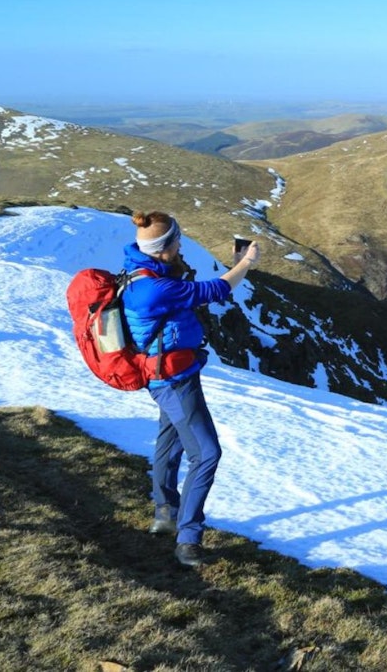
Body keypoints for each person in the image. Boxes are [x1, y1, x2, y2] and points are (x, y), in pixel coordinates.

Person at [122, 210, 260, 568]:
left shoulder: (146, 274)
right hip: (174, 380)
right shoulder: (154, 289)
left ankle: (165, 512)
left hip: (167, 375)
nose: (182, 244)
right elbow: (214, 290)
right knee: (207, 453)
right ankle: (188, 540)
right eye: (177, 240)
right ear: (164, 247)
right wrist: (245, 263)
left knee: (170, 444)